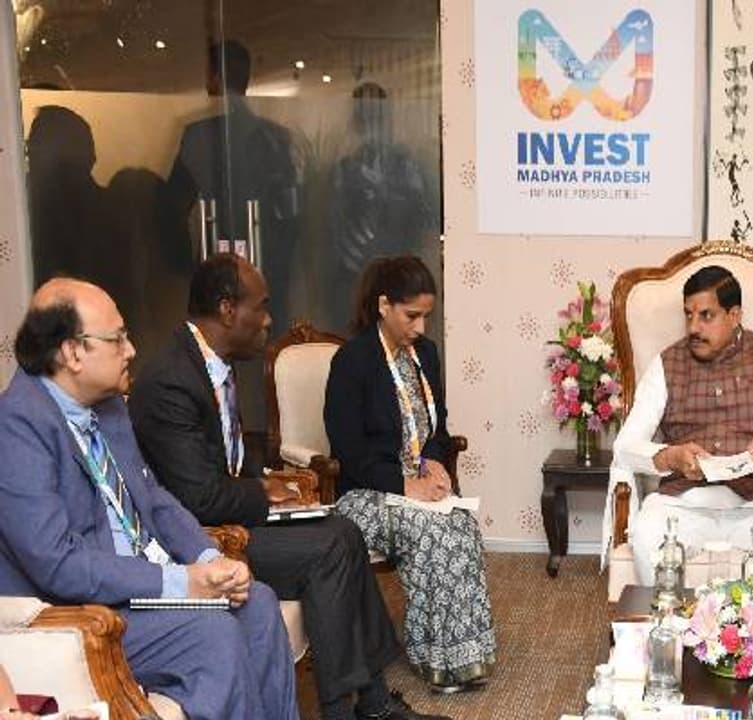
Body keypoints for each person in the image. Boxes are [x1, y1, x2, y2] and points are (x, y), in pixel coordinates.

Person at [127, 254, 442, 720]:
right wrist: (260, 492)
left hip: (231, 513)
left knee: (343, 530)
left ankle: (372, 705)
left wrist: (266, 480)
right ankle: (345, 710)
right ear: (228, 309)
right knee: (329, 548)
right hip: (203, 537)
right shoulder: (171, 381)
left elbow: (226, 456)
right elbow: (198, 497)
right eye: (261, 306)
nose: (269, 319)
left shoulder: (211, 364)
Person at [0, 278, 297, 720]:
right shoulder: (16, 427)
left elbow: (153, 498)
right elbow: (57, 563)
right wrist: (180, 583)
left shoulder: (108, 406)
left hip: (140, 590)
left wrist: (208, 558)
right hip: (83, 611)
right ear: (72, 352)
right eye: (117, 339)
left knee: (258, 605)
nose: (132, 350)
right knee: (213, 635)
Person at [324, 256, 496, 691]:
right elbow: (350, 452)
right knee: (431, 531)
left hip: (414, 487)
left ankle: (467, 657)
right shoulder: (352, 361)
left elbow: (437, 428)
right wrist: (406, 486)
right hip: (365, 493)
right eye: (412, 315)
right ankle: (435, 660)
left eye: (426, 317)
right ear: (384, 305)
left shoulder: (426, 355)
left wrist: (434, 460)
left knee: (461, 524)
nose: (420, 327)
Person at [610, 265, 753, 591]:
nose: (693, 327)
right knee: (647, 531)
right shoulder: (666, 364)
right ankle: (677, 620)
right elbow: (626, 447)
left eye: (706, 316)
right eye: (688, 315)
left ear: (734, 315)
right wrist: (670, 457)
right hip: (686, 503)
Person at [166, 40, 299, 330]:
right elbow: (290, 215)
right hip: (265, 263)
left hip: (218, 258)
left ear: (215, 76)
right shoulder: (275, 137)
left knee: (216, 338)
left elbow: (174, 204)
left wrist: (182, 267)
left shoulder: (198, 134)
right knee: (265, 338)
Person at [328, 82, 432, 328]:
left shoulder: (404, 163)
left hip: (396, 270)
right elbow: (335, 222)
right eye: (363, 114)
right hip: (353, 270)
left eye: (375, 114)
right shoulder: (346, 165)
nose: (370, 123)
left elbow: (422, 215)